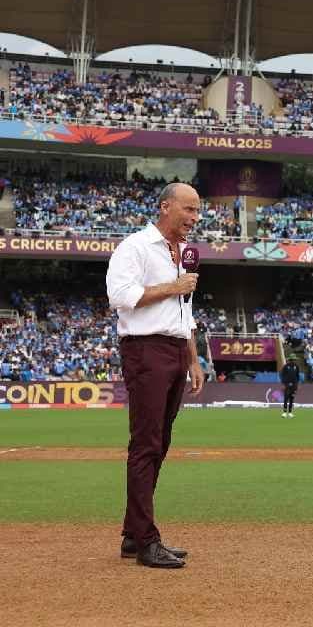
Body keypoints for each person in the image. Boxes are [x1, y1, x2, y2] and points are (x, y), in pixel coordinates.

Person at [104, 182, 205, 569]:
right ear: (166, 207)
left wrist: (193, 359)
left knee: (159, 442)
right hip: (145, 349)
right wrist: (172, 287)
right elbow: (120, 296)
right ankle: (146, 539)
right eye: (189, 210)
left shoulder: (184, 253)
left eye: (197, 212)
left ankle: (134, 533)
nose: (194, 219)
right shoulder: (135, 247)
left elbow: (185, 312)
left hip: (176, 349)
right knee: (146, 443)